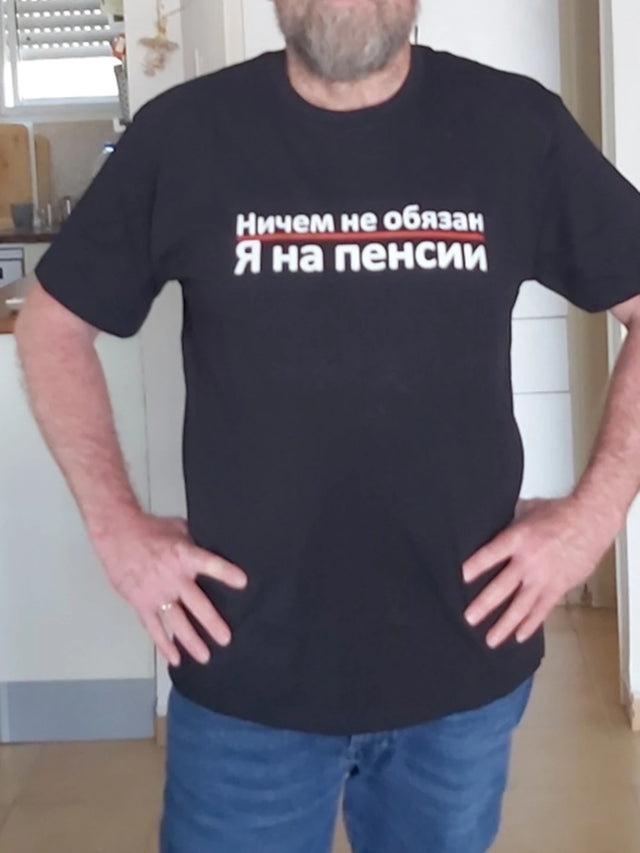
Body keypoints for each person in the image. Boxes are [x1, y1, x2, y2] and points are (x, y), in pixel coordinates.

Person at [14, 1, 640, 851]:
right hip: (245, 680)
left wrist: (594, 516)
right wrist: (115, 525)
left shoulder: (514, 127)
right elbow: (51, 326)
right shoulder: (187, 134)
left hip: (459, 671)